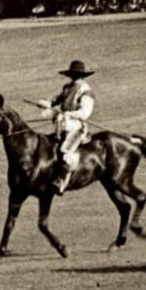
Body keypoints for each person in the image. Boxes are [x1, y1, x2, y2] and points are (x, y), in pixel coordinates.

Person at [38, 59, 96, 195]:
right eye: (73, 74)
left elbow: (85, 112)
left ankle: (62, 182)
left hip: (76, 127)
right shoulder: (67, 87)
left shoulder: (86, 91)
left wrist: (70, 114)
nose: (75, 77)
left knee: (65, 151)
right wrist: (46, 103)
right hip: (62, 126)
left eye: (77, 74)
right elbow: (55, 99)